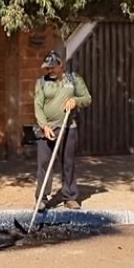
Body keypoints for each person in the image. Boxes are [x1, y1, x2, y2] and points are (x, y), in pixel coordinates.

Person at [34, 50, 92, 211]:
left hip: (68, 128)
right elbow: (38, 106)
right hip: (46, 130)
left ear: (60, 65)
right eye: (47, 68)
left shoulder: (74, 80)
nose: (49, 71)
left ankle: (70, 197)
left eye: (52, 67)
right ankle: (42, 198)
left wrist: (75, 100)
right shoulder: (41, 82)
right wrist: (44, 126)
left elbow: (87, 98)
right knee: (44, 165)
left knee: (68, 164)